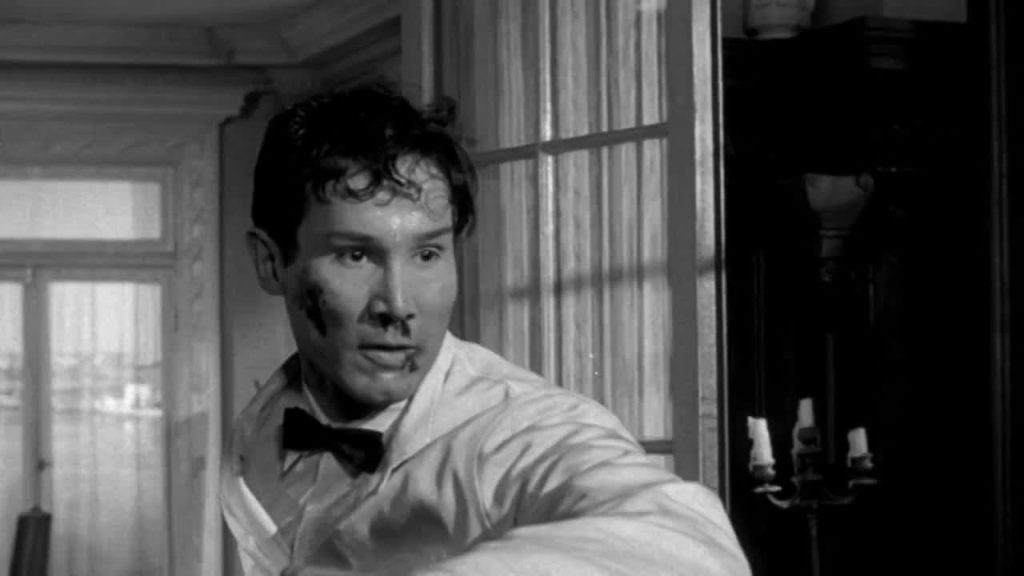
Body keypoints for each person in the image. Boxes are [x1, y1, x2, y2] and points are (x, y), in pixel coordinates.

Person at [221, 84, 751, 576]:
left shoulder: (518, 430)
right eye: (356, 255)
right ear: (271, 262)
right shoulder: (262, 422)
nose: (398, 305)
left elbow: (684, 548)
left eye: (428, 253)